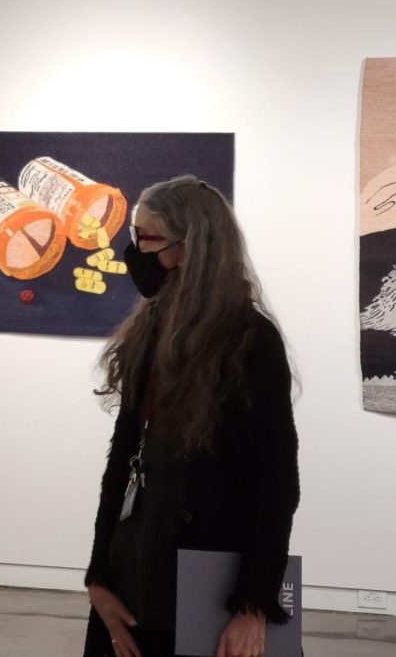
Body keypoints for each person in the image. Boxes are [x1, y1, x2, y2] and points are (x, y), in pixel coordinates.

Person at [83, 176, 300, 657]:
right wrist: (99, 578)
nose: (133, 251)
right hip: (139, 566)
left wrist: (254, 606)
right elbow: (121, 459)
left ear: (192, 247)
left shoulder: (250, 341)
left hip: (211, 577)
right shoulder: (153, 325)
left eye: (147, 239)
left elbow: (277, 483)